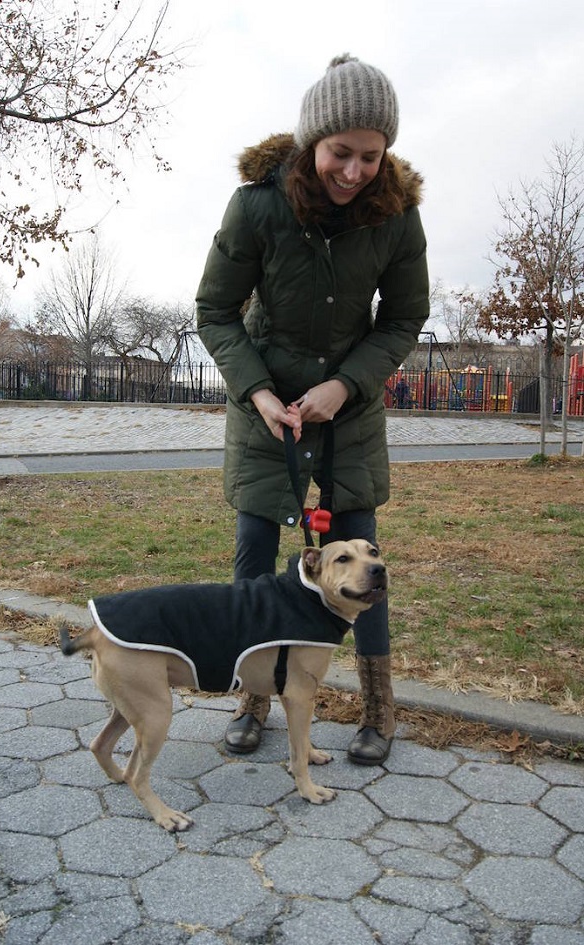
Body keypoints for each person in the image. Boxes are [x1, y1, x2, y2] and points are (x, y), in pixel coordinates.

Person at [195, 54, 429, 765]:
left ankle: (378, 711)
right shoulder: (257, 205)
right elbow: (214, 309)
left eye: (370, 155)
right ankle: (254, 697)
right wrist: (259, 390)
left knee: (364, 560)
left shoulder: (396, 216)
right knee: (255, 559)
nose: (355, 171)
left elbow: (404, 317)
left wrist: (346, 385)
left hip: (348, 413)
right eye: (340, 153)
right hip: (265, 409)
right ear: (311, 142)